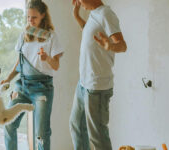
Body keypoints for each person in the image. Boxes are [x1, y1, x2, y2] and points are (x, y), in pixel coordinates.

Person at [0, 1, 63, 150]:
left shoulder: (51, 36)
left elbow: (56, 66)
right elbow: (19, 63)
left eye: (34, 17)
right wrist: (8, 78)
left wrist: (47, 58)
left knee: (41, 133)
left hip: (42, 88)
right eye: (28, 17)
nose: (30, 20)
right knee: (8, 123)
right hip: (22, 86)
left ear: (43, 16)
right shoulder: (24, 35)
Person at [69, 0, 127, 150]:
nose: (78, 2)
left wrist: (110, 46)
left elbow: (122, 45)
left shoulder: (106, 14)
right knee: (76, 126)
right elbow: (88, 31)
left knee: (97, 136)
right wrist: (76, 16)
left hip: (97, 87)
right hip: (83, 84)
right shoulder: (94, 14)